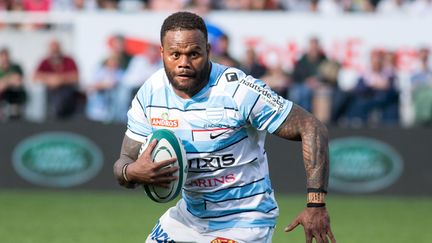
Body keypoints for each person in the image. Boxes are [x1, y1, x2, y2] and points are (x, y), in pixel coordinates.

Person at [113, 11, 336, 243]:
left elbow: (312, 127)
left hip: (244, 221)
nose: (184, 63)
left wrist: (316, 204)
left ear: (208, 51)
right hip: (188, 218)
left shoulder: (239, 91)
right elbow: (123, 162)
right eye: (175, 54)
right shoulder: (150, 93)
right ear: (162, 53)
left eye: (194, 54)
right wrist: (132, 172)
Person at [33, 39, 80, 119]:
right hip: (49, 93)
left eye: (56, 50)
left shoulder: (69, 60)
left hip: (66, 94)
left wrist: (60, 80)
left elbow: (75, 77)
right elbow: (35, 77)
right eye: (53, 50)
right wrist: (50, 79)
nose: (55, 53)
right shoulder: (44, 62)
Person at [0, 47, 27, 120]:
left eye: (6, 56)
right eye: (3, 57)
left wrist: (4, 82)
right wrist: (9, 80)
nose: (5, 59)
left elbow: (17, 81)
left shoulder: (16, 67)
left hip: (16, 98)